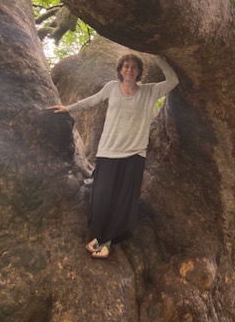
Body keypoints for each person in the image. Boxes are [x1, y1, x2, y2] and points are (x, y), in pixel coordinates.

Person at [51, 53, 179, 259]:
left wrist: (160, 57)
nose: (129, 69)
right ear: (120, 70)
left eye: (134, 67)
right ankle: (96, 235)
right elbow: (91, 101)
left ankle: (107, 242)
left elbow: (173, 81)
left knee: (122, 200)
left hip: (134, 154)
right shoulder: (111, 87)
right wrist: (68, 108)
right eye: (126, 66)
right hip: (108, 151)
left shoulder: (149, 92)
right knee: (102, 195)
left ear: (139, 72)